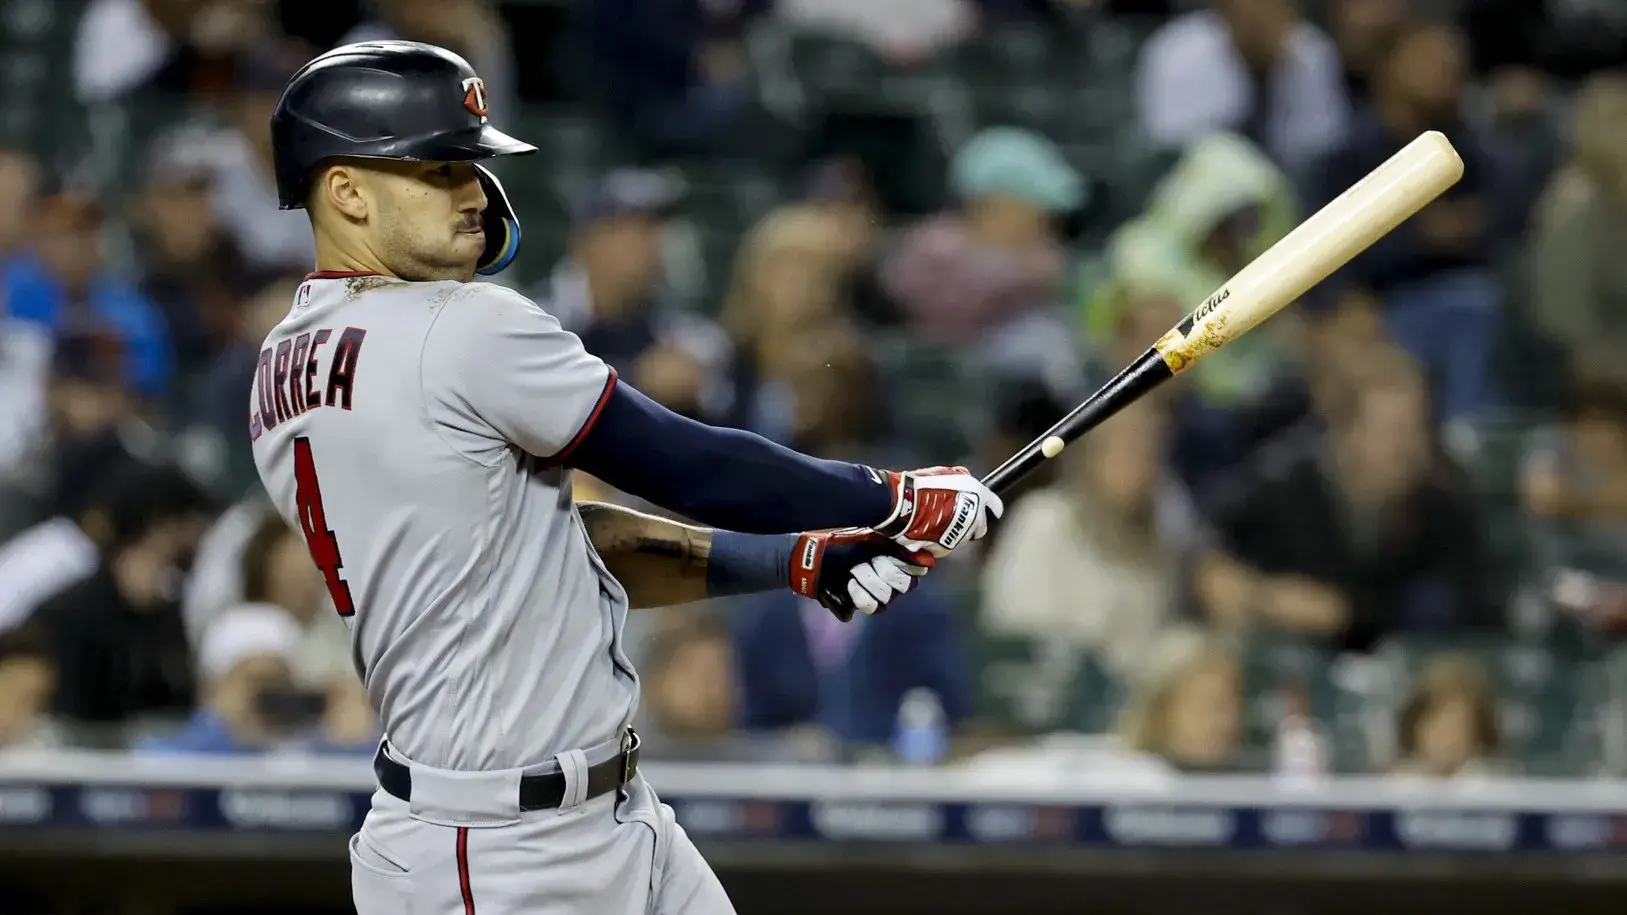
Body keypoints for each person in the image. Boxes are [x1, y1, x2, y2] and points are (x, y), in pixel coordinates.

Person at [256, 41, 1001, 915]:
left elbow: (561, 549)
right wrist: (890, 496)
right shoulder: (457, 327)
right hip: (498, 851)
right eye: (439, 166)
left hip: (592, 817)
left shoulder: (282, 364)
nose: (472, 192)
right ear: (345, 190)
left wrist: (792, 559)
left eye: (470, 166)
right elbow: (682, 460)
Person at [1315, 19, 1505, 427]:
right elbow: (1323, 252)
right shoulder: (1351, 156)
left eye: (1454, 60)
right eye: (1430, 56)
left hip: (1461, 299)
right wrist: (1420, 238)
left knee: (1475, 304)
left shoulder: (1472, 148)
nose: (1447, 67)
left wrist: (1461, 231)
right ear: (1390, 65)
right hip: (1380, 309)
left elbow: (1506, 221)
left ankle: (1468, 436)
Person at [1136, 0, 1349, 177]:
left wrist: (1274, 66)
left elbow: (1321, 151)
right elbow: (1173, 156)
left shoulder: (1312, 54)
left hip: (1292, 192)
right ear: (1225, 7)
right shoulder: (1178, 54)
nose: (1265, 12)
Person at [1390, 653, 1505, 778]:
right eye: (1436, 725)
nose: (1446, 738)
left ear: (1478, 736)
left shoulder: (1497, 786)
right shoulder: (1391, 786)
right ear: (1415, 727)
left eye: (1456, 727)